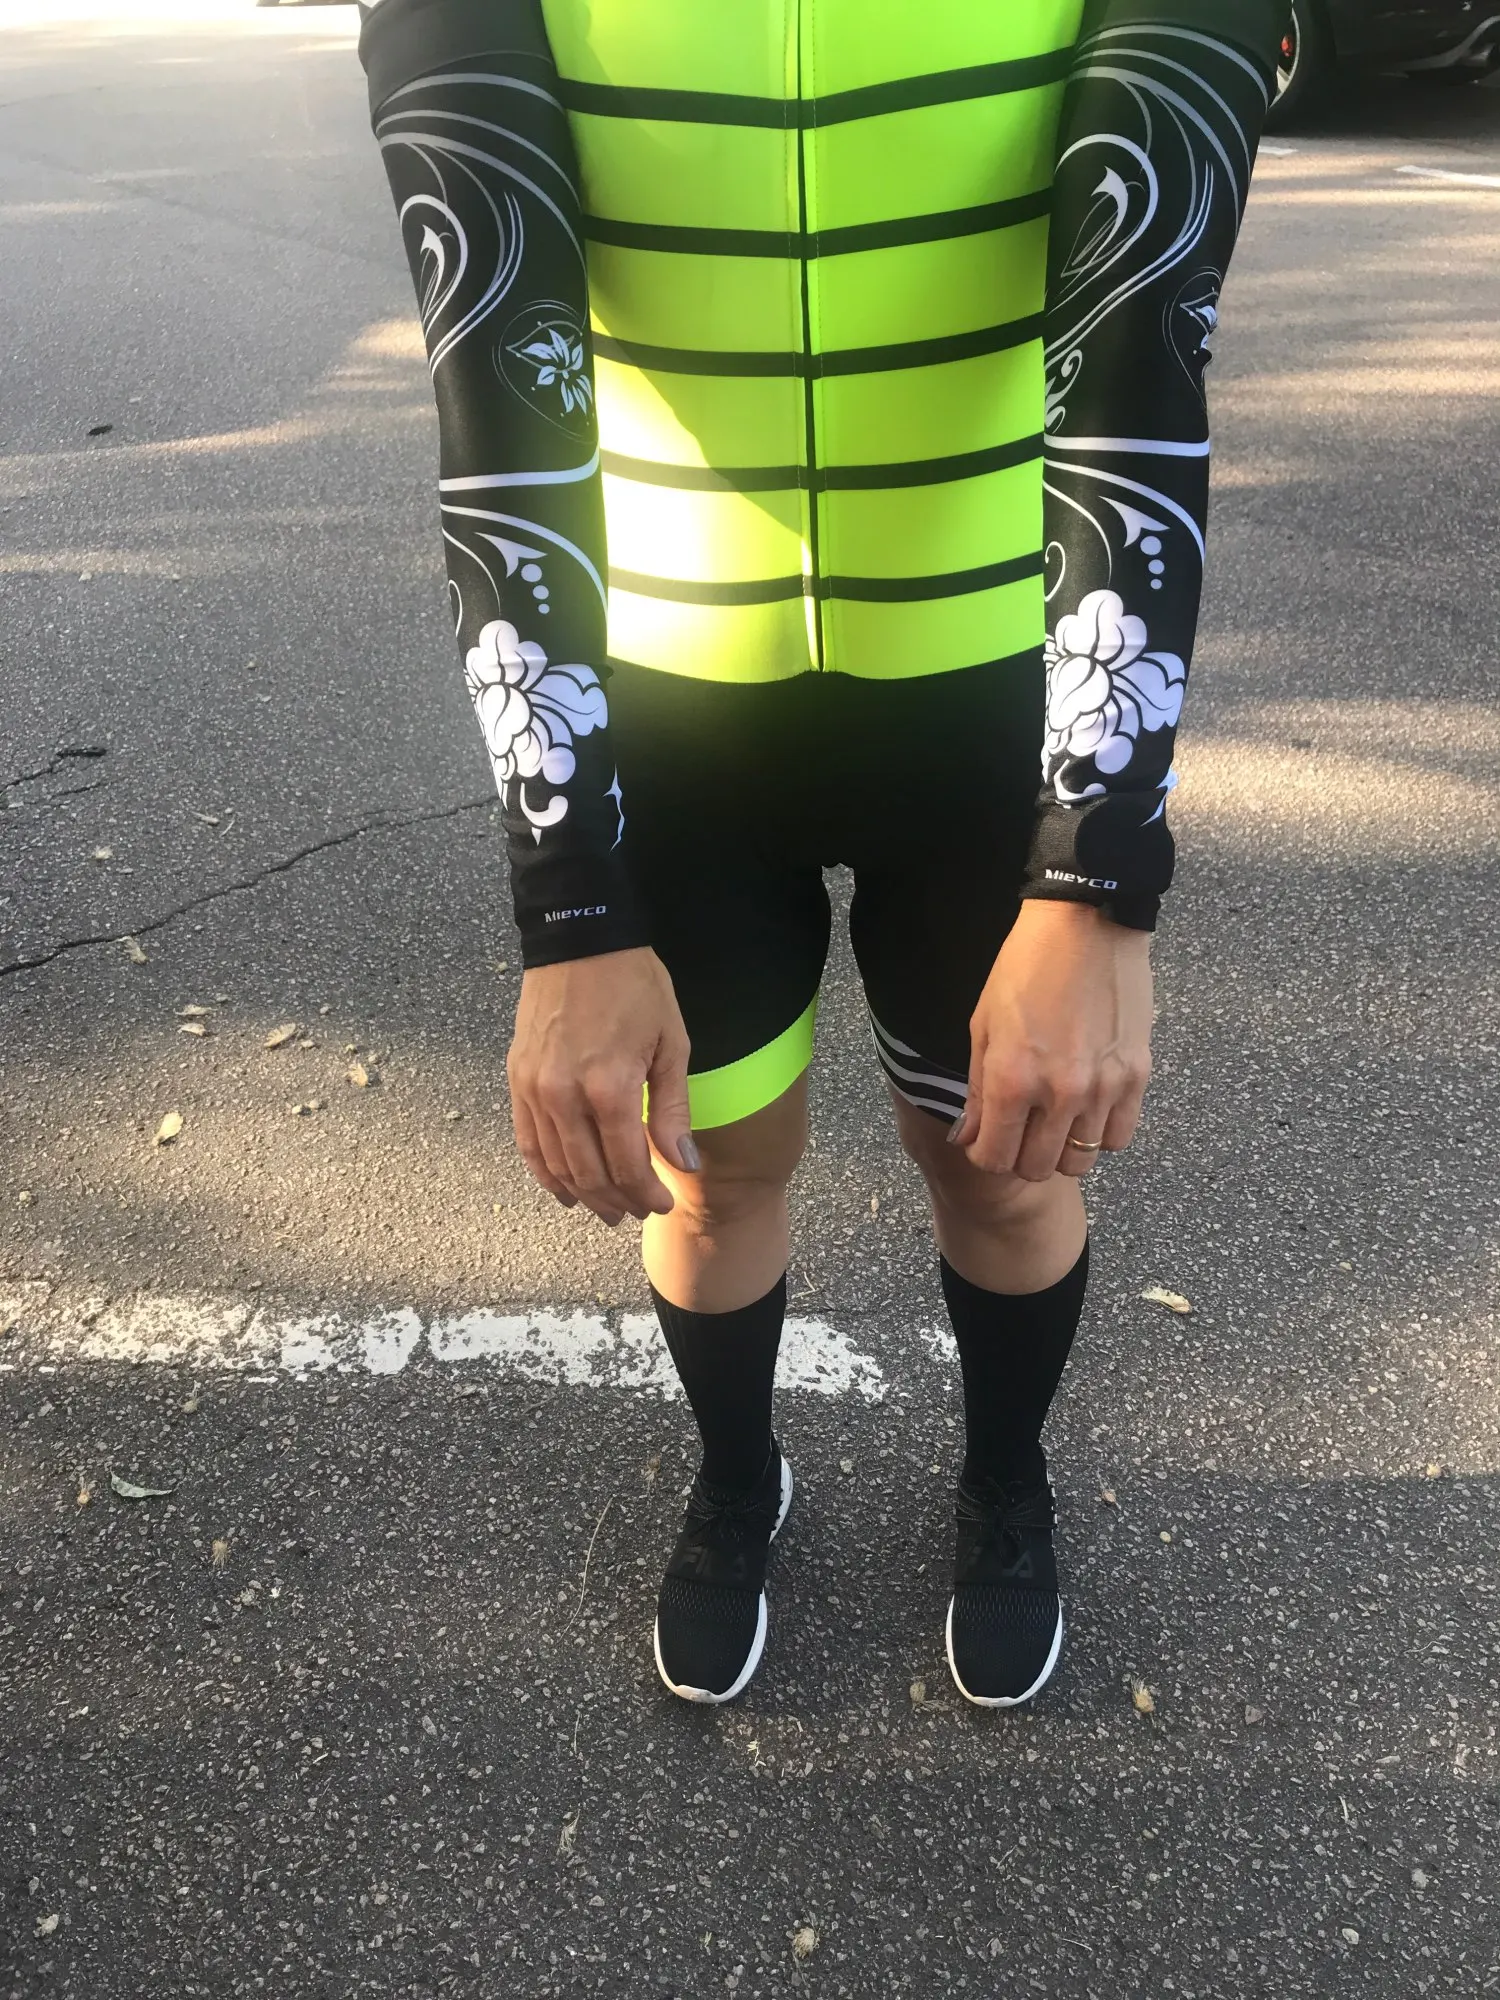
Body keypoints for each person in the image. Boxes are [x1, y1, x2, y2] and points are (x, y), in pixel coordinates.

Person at [358, 0, 1282, 1706]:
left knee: (1005, 1167)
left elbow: (1141, 342)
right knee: (714, 1171)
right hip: (670, 710)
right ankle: (736, 1479)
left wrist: (1096, 873)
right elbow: (497, 379)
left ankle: (1005, 1479)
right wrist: (569, 906)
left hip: (1000, 696)